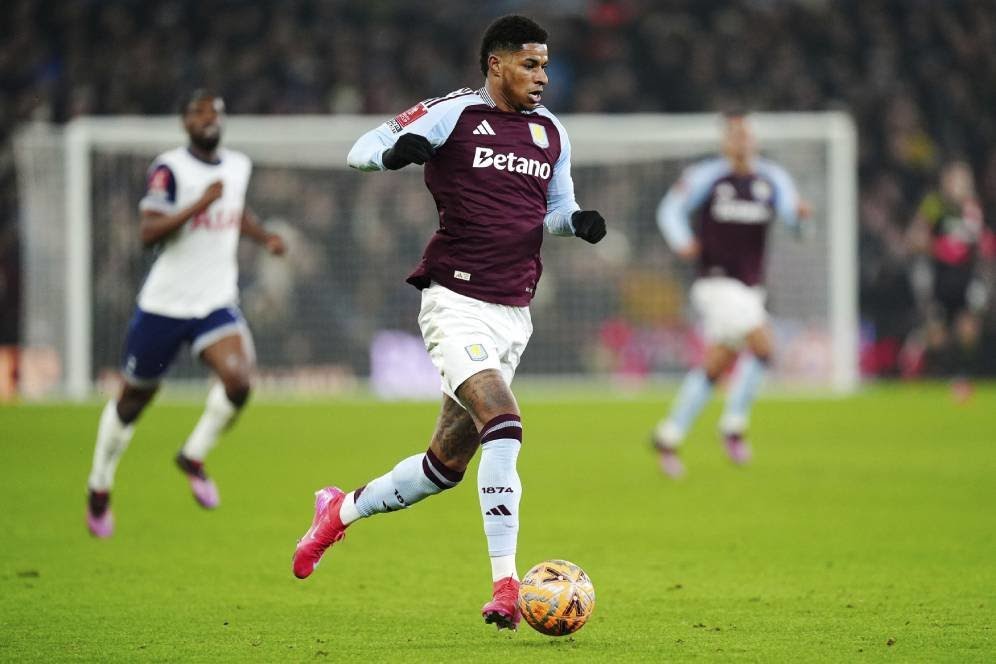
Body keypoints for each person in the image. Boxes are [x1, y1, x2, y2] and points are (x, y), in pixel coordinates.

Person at [290, 15, 606, 631]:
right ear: (496, 64)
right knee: (505, 423)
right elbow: (360, 152)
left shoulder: (551, 132)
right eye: (530, 64)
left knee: (444, 467)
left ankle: (339, 510)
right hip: (454, 302)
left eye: (545, 65)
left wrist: (579, 223)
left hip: (514, 312)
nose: (543, 76)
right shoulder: (452, 113)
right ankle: (506, 586)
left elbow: (558, 210)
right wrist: (395, 153)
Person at [85, 90, 287, 537]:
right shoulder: (169, 169)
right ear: (185, 123)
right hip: (164, 305)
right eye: (198, 113)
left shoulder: (237, 166)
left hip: (214, 301)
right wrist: (200, 202)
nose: (208, 119)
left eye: (215, 112)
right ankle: (99, 485)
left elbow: (235, 212)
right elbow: (147, 232)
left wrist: (263, 236)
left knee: (239, 382)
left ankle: (192, 456)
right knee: (134, 400)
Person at [651, 111, 810, 478]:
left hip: (751, 289)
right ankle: (734, 425)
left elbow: (796, 223)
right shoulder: (706, 176)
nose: (740, 141)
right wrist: (682, 241)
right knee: (765, 346)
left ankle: (669, 435)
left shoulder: (773, 178)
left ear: (753, 140)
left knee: (717, 363)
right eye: (733, 135)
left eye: (745, 134)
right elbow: (669, 210)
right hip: (715, 283)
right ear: (724, 142)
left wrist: (802, 218)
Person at [906, 159, 994, 400]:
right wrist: (938, 247)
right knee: (937, 335)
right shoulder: (934, 206)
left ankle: (961, 377)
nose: (959, 184)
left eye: (964, 179)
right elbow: (914, 238)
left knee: (968, 331)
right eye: (955, 179)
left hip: (965, 278)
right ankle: (931, 371)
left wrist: (984, 249)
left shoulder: (974, 209)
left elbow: (983, 242)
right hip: (939, 276)